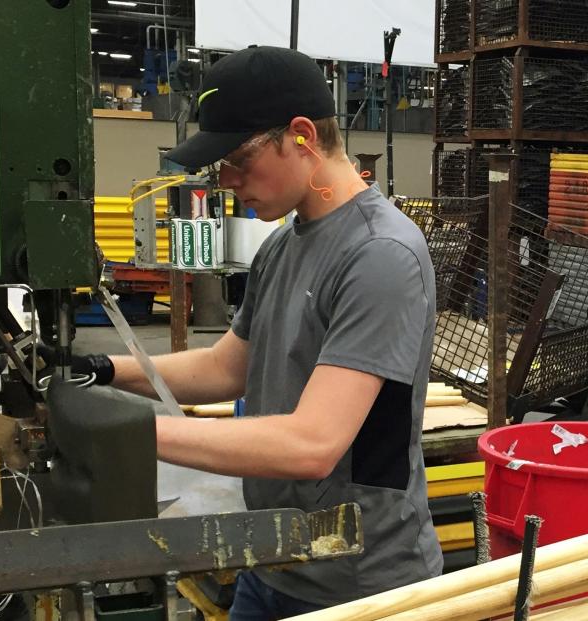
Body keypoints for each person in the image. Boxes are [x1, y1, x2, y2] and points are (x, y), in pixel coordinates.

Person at [73, 46, 442, 619]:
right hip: (273, 559)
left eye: (238, 160)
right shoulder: (282, 244)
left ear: (301, 135)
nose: (226, 180)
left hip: (358, 583)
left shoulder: (381, 254)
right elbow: (226, 368)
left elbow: (312, 444)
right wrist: (102, 373)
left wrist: (124, 433)